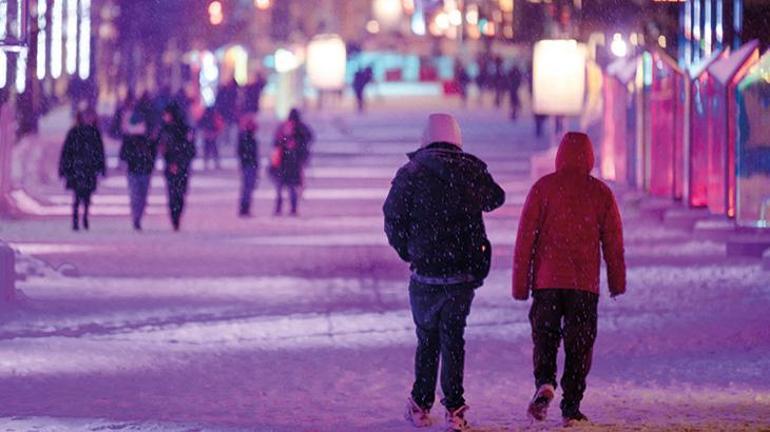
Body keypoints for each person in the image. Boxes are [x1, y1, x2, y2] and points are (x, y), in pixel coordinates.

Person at [383, 113, 505, 432]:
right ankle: (454, 408)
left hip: (424, 273)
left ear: (425, 138)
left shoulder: (411, 173)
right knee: (454, 338)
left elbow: (392, 216)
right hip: (461, 273)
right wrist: (468, 186)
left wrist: (408, 249)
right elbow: (496, 198)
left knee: (427, 339)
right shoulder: (470, 171)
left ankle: (421, 403)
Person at [512, 132, 626, 427]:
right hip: (584, 285)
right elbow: (613, 243)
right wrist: (617, 281)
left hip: (547, 281)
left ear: (560, 156)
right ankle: (571, 405)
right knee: (580, 343)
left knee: (545, 335)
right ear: (590, 157)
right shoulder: (600, 193)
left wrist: (520, 285)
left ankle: (545, 381)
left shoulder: (543, 188)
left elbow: (525, 240)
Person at [58, 110, 106, 231]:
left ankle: (79, 218)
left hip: (79, 169)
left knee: (80, 196)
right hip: (85, 169)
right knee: (83, 196)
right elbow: (99, 152)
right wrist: (101, 167)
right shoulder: (92, 132)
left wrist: (63, 169)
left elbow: (66, 152)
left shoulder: (76, 132)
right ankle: (81, 217)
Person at [158, 103, 196, 231]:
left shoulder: (181, 129)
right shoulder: (165, 129)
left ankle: (176, 216)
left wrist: (179, 161)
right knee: (174, 193)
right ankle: (175, 217)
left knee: (178, 193)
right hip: (173, 166)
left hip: (181, 166)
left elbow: (189, 148)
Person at [119, 117, 156, 231]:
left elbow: (153, 153)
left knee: (142, 196)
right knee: (135, 195)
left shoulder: (147, 140)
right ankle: (136, 218)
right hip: (134, 171)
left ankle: (138, 216)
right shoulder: (129, 140)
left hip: (144, 171)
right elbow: (123, 155)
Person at [269, 114, 309, 216]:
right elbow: (276, 152)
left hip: (291, 167)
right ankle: (280, 209)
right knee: (281, 189)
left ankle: (292, 209)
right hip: (283, 167)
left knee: (291, 189)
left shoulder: (297, 137)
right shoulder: (282, 138)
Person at [237, 115, 259, 217]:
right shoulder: (247, 137)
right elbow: (246, 152)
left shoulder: (246, 136)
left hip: (248, 164)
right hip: (249, 164)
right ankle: (244, 208)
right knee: (247, 187)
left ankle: (245, 208)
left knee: (248, 187)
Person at [198, 106, 223, 170]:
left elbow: (200, 124)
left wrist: (205, 132)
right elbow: (217, 125)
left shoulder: (205, 116)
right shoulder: (213, 116)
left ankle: (207, 163)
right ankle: (216, 163)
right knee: (214, 149)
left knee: (208, 149)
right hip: (212, 134)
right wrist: (215, 133)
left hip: (208, 134)